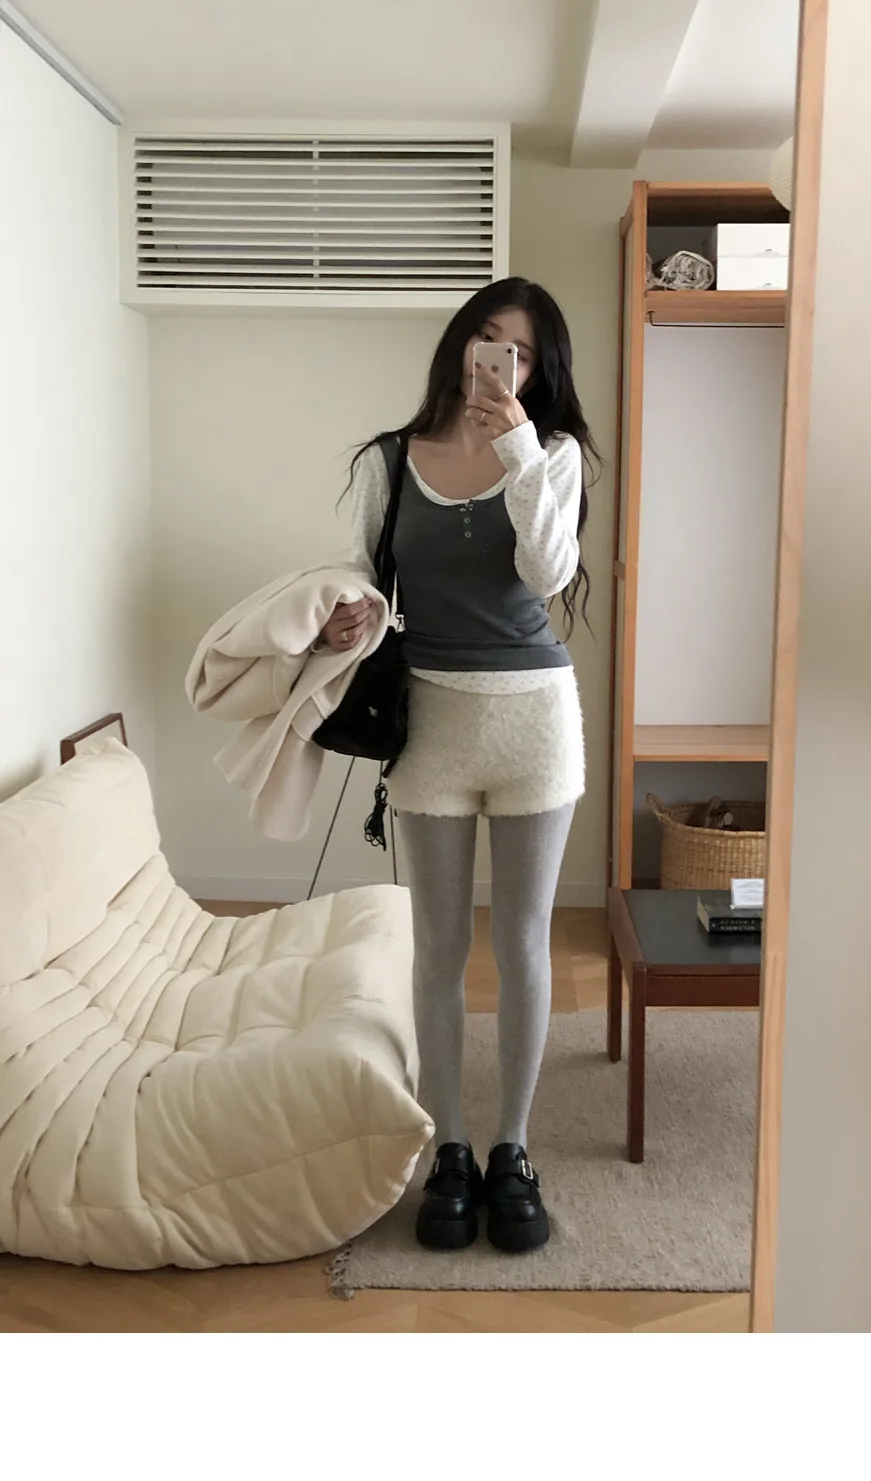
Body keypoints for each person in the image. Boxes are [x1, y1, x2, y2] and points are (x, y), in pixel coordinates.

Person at [316, 274, 594, 1254]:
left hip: (535, 725)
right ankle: (451, 1150)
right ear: (460, 345)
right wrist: (349, 613)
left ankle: (512, 1150)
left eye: (521, 352)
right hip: (429, 722)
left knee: (522, 943)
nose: (498, 363)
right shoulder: (389, 460)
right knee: (436, 947)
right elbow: (362, 575)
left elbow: (548, 574)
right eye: (487, 340)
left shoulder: (552, 454)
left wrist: (516, 447)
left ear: (538, 370)